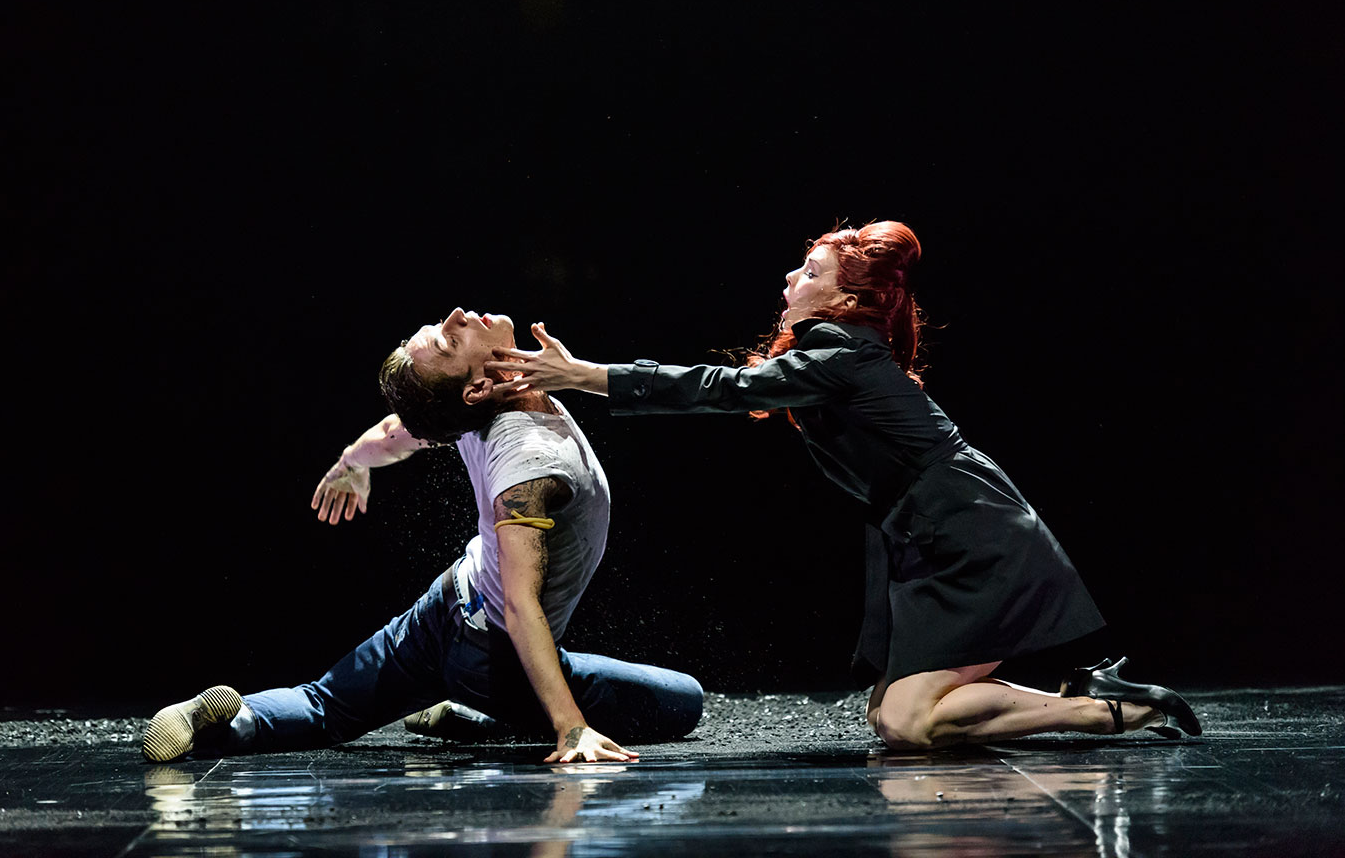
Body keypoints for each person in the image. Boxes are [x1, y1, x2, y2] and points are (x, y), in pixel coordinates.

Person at [486, 222, 1201, 750]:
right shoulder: (838, 352)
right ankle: (1086, 697)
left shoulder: (841, 351)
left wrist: (584, 375)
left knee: (905, 721)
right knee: (891, 715)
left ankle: (1102, 707)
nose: (790, 281)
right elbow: (738, 387)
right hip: (933, 530)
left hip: (967, 531)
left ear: (845, 295)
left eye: (809, 270)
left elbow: (721, 388)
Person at [141, 307, 703, 764]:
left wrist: (350, 461)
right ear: (479, 387)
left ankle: (227, 721)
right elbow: (518, 601)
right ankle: (479, 706)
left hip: (444, 606)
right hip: (493, 652)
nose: (457, 315)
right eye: (447, 339)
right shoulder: (528, 459)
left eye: (442, 330)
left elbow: (395, 433)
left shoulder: (465, 410)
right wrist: (571, 728)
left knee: (326, 706)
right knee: (682, 703)